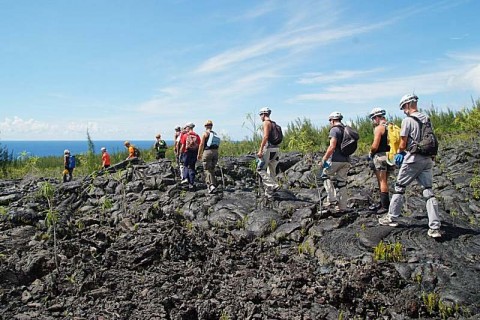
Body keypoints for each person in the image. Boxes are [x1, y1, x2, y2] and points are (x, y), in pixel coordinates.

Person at [378, 94, 442, 238]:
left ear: (407, 105)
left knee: (399, 187)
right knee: (428, 191)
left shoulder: (407, 121)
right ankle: (435, 227)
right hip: (427, 159)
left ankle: (391, 218)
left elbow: (403, 142)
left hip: (413, 159)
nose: (403, 110)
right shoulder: (426, 118)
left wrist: (400, 153)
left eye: (403, 108)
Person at [319, 112, 351, 213]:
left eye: (330, 121)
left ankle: (331, 200)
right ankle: (343, 206)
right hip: (346, 160)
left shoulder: (334, 130)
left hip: (335, 160)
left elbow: (332, 146)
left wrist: (324, 158)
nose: (330, 123)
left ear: (332, 120)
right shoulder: (346, 129)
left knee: (325, 175)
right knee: (342, 183)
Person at [368, 108, 395, 214]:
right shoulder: (391, 126)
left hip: (380, 156)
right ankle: (385, 203)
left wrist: (371, 152)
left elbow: (375, 145)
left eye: (373, 119)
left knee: (382, 181)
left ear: (376, 117)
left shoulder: (379, 128)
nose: (373, 121)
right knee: (386, 181)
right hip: (391, 156)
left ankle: (385, 206)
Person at [257, 107, 280, 199]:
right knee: (271, 171)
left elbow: (265, 137)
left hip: (268, 149)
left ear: (263, 114)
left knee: (260, 169)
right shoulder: (274, 124)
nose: (260, 117)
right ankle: (269, 193)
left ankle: (273, 185)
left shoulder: (266, 123)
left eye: (260, 115)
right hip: (276, 149)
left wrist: (260, 150)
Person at [197, 120, 219, 193]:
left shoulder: (205, 133)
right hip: (215, 152)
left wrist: (199, 154)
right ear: (212, 126)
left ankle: (211, 185)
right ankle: (214, 184)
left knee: (207, 169)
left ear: (205, 126)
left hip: (207, 152)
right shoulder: (215, 134)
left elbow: (201, 144)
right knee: (212, 168)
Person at [180, 122, 201, 190]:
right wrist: (199, 154)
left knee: (185, 165)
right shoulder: (197, 136)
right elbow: (199, 145)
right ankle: (191, 183)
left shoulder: (185, 135)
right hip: (194, 153)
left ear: (188, 127)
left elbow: (183, 146)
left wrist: (180, 153)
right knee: (192, 167)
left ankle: (185, 178)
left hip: (187, 152)